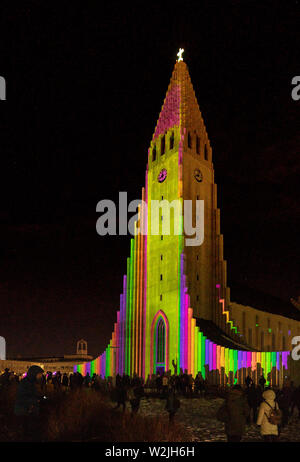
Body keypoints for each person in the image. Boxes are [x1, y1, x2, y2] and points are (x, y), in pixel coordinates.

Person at [14, 365, 45, 441]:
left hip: (28, 411)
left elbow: (32, 395)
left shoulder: (30, 383)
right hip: (24, 412)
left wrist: (41, 397)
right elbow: (22, 397)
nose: (40, 376)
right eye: (39, 374)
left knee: (30, 432)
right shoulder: (25, 383)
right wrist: (36, 400)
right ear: (34, 374)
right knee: (26, 433)